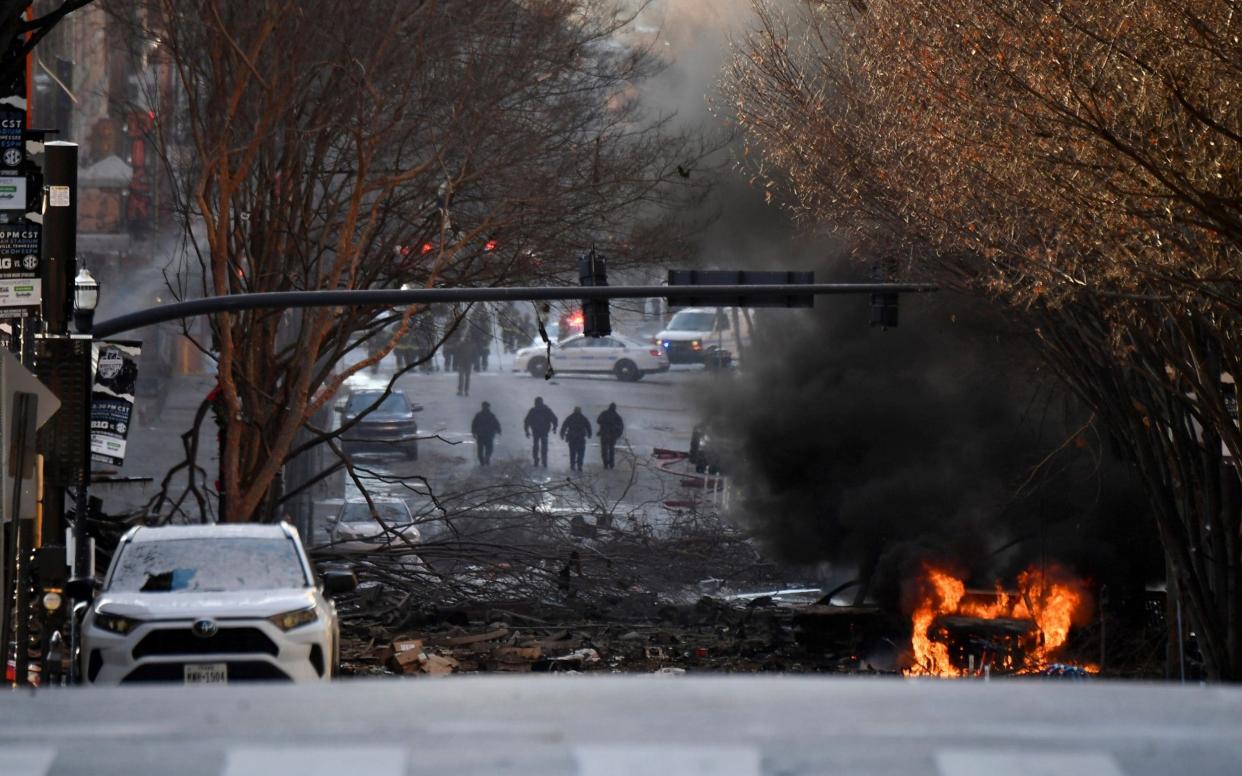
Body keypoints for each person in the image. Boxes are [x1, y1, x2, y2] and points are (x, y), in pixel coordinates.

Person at [523, 397, 559, 467]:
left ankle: (538, 461)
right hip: (542, 431)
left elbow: (527, 421)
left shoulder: (534, 410)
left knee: (537, 447)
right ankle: (543, 461)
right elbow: (554, 419)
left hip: (538, 431)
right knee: (542, 447)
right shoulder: (545, 410)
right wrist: (555, 427)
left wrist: (526, 431)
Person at [560, 406, 592, 472]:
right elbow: (588, 426)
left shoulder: (570, 417)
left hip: (572, 438)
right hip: (580, 438)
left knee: (572, 452)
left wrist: (562, 434)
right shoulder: (583, 418)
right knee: (580, 452)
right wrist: (589, 434)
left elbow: (564, 426)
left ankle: (572, 465)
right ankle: (579, 465)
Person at [470, 401, 501, 465]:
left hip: (480, 435)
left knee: (480, 450)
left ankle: (482, 461)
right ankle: (487, 458)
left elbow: (474, 424)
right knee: (489, 449)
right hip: (489, 435)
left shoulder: (478, 415)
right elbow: (496, 424)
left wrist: (473, 432)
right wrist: (498, 430)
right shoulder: (491, 415)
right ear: (488, 407)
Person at [596, 402, 624, 469]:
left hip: (604, 435)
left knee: (604, 450)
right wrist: (618, 435)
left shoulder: (604, 413)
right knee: (611, 450)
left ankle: (605, 464)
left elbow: (598, 421)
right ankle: (611, 464)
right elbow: (621, 427)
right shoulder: (617, 416)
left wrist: (604, 423)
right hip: (612, 436)